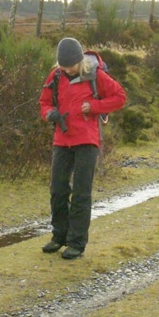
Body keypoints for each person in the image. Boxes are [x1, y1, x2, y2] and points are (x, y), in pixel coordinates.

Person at [38, 37, 127, 259]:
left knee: (80, 192)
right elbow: (44, 101)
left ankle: (76, 242)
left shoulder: (95, 74)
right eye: (64, 66)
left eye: (71, 66)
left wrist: (95, 106)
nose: (68, 70)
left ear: (80, 61)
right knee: (57, 189)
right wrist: (49, 114)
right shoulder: (56, 75)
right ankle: (59, 236)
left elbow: (120, 97)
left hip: (87, 140)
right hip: (62, 138)